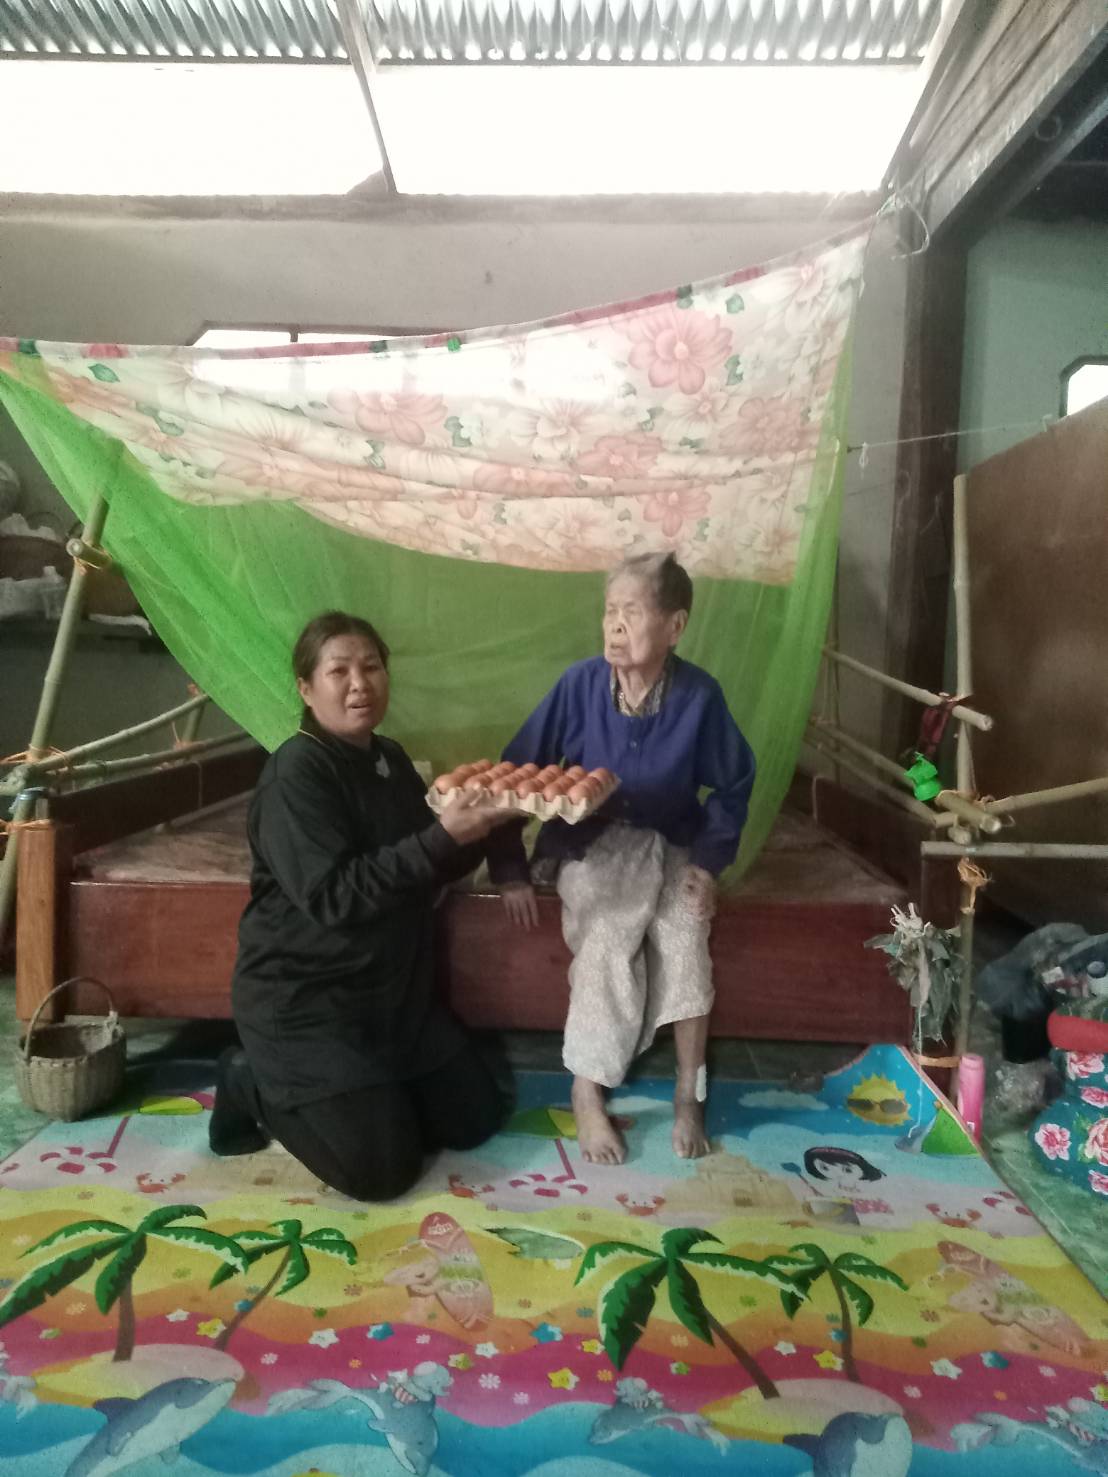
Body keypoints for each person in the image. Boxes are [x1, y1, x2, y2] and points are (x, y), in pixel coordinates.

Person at [209, 610, 518, 1201]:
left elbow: (423, 866)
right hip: (309, 1003)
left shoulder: (389, 759)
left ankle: (368, 1094)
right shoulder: (295, 774)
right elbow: (335, 896)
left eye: (372, 667)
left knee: (475, 1119)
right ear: (306, 688)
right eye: (339, 671)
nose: (360, 684)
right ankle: (249, 1079)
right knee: (383, 1171)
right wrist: (440, 838)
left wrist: (492, 825)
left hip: (392, 999)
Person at [491, 552, 756, 1165]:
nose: (614, 626)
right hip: (593, 841)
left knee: (686, 934)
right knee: (609, 937)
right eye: (609, 611)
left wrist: (707, 865)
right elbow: (516, 770)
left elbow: (734, 783)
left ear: (675, 626)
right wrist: (508, 868)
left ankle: (689, 1092)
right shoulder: (580, 685)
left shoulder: (699, 696)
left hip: (672, 840)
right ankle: (587, 1091)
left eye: (631, 613)